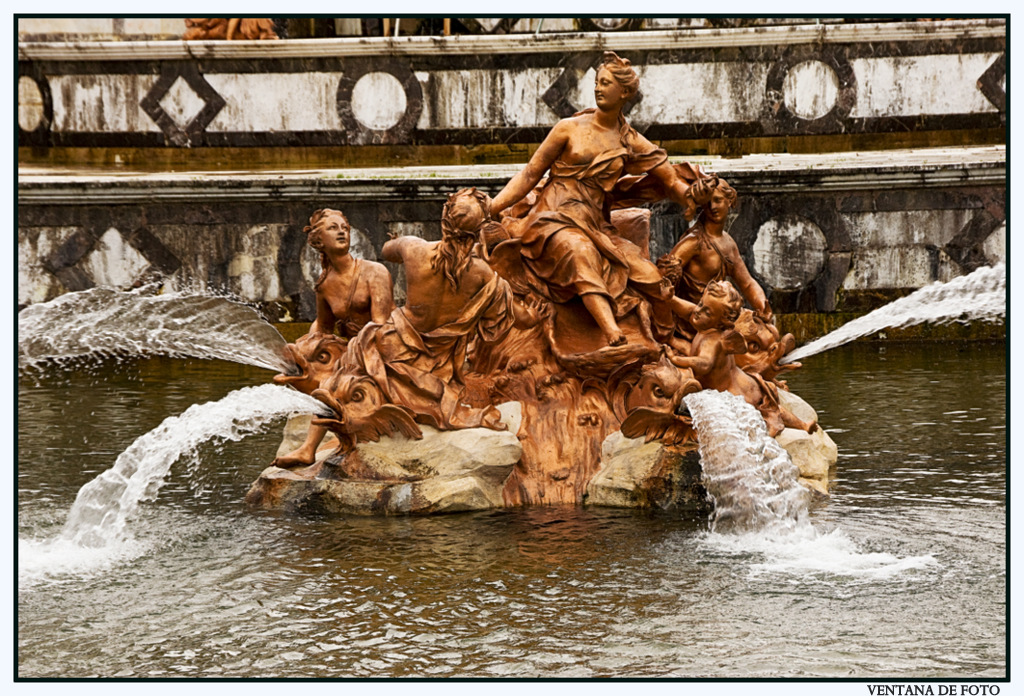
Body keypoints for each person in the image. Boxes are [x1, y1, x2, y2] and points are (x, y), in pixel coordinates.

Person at [488, 51, 701, 348]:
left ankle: (665, 340)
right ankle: (611, 331)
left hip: (595, 223)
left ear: (624, 92)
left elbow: (669, 179)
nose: (598, 88)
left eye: (606, 83)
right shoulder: (568, 128)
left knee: (650, 276)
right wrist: (493, 206)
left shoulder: (629, 140)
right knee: (579, 251)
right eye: (597, 82)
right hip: (552, 216)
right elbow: (529, 175)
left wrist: (691, 194)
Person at [334, 188, 544, 431]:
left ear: (445, 219)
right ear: (482, 228)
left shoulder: (414, 248)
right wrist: (535, 314)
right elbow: (524, 320)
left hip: (387, 351)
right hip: (434, 370)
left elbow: (386, 251)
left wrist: (397, 240)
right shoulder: (485, 276)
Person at [271, 208, 394, 467]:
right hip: (352, 350)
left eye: (344, 227)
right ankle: (309, 447)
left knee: (334, 381)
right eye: (333, 228)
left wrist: (350, 357)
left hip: (384, 346)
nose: (341, 231)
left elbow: (381, 325)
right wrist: (301, 349)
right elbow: (324, 326)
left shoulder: (375, 272)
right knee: (313, 372)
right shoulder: (324, 284)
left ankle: (308, 448)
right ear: (318, 241)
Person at [667, 280, 815, 437]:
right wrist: (670, 299)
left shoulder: (713, 340)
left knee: (767, 409)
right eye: (700, 303)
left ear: (721, 321)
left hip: (733, 391)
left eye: (707, 311)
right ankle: (803, 425)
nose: (698, 311)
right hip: (742, 379)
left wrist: (676, 359)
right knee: (769, 405)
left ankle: (802, 426)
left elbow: (704, 364)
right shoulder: (707, 323)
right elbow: (688, 311)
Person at [658, 177, 772, 328]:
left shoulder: (728, 244)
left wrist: (762, 306)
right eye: (707, 202)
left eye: (717, 200)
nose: (712, 206)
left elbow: (747, 283)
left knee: (766, 329)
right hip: (694, 320)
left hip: (719, 317)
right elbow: (661, 278)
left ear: (730, 201)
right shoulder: (694, 241)